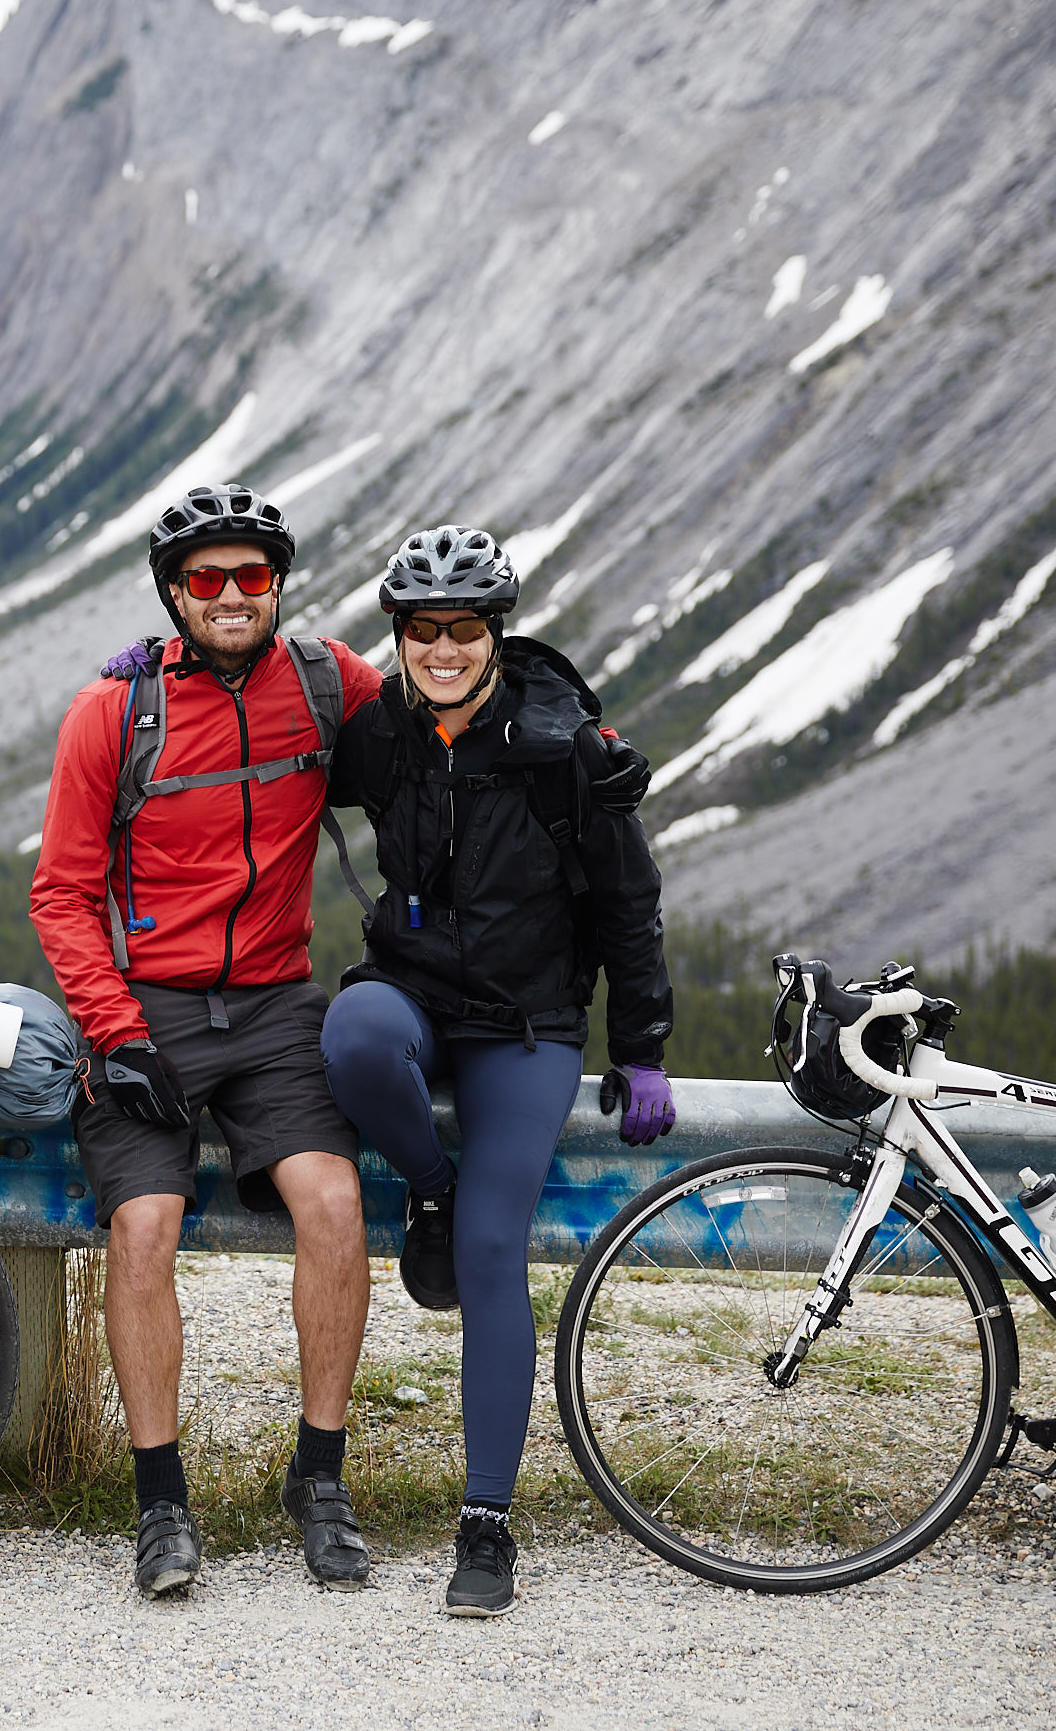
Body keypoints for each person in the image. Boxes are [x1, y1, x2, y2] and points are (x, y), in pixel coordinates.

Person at [31, 484, 388, 1597]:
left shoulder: (330, 682)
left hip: (278, 1004)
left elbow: (452, 718)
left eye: (249, 575)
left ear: (277, 582)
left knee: (333, 1207)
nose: (230, 596)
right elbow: (59, 893)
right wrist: (115, 1028)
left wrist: (576, 741)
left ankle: (318, 1479)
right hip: (148, 1009)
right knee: (144, 1227)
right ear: (173, 595)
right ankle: (160, 1500)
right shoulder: (111, 714)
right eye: (205, 579)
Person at [317, 525, 675, 1618]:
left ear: (492, 633)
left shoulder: (562, 746)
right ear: (400, 636)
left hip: (527, 1024)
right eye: (421, 629)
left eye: (462, 628)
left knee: (489, 1248)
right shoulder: (379, 731)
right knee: (353, 1041)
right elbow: (260, 731)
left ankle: (485, 1522)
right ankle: (429, 1180)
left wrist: (644, 1047)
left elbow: (627, 901)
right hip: (413, 991)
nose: (441, 647)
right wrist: (157, 667)